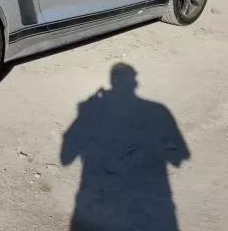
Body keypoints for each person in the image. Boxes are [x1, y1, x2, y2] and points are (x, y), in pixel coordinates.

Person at [61, 63, 190, 231]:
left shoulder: (92, 111)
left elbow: (66, 157)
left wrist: (84, 113)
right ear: (135, 83)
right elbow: (179, 156)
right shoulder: (158, 111)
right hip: (149, 210)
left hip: (100, 208)